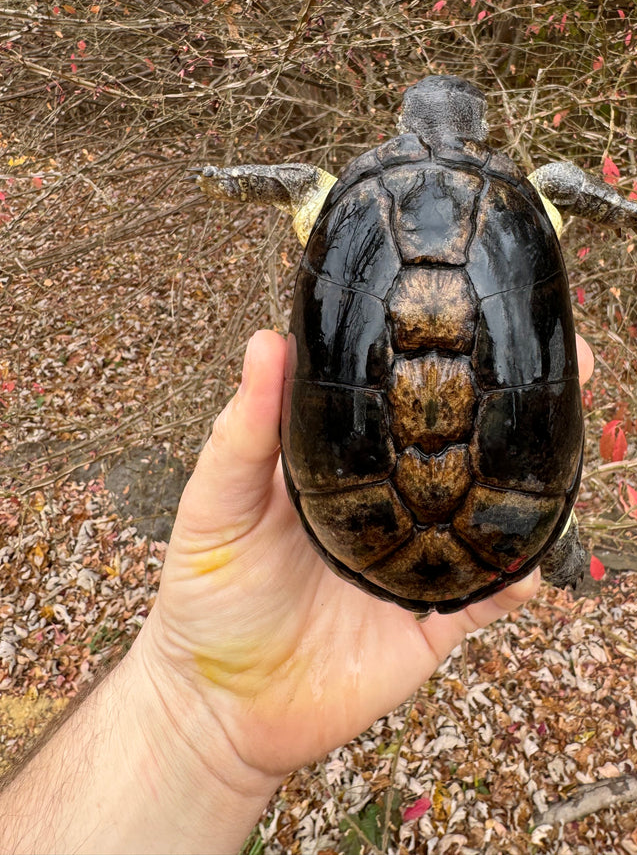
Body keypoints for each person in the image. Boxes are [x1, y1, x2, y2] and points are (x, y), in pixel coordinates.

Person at [0, 329, 594, 854]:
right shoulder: (514, 533)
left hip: (373, 528)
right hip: (452, 529)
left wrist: (193, 713)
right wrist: (193, 709)